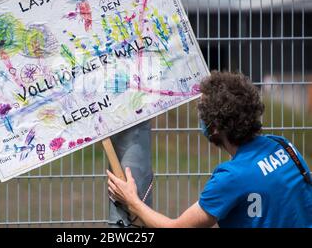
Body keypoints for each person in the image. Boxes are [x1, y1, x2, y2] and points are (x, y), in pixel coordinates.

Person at [107, 71, 312, 228]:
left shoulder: (231, 177)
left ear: (214, 127)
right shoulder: (284, 146)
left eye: (202, 115)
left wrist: (132, 201)